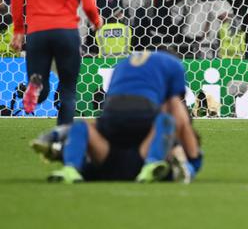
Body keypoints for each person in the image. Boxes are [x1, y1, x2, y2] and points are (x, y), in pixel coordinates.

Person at [31, 51, 202, 183]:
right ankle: (152, 163)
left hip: (110, 139)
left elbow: (106, 111)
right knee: (165, 122)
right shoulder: (174, 65)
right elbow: (177, 112)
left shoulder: (125, 64)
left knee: (83, 127)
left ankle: (68, 165)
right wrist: (193, 162)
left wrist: (57, 135)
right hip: (140, 157)